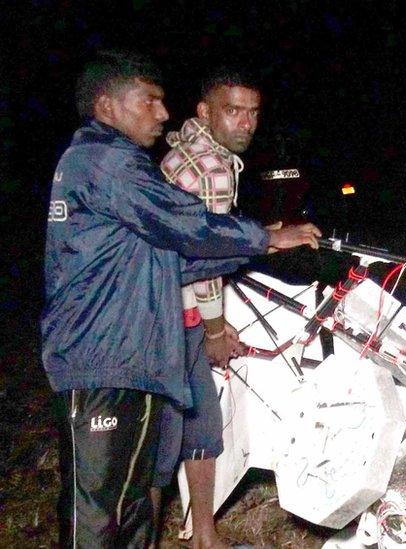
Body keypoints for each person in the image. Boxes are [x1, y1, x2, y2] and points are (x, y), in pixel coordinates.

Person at [42, 50, 321, 548]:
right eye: (149, 100)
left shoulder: (108, 163)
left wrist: (258, 240)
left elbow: (167, 260)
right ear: (107, 105)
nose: (163, 113)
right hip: (106, 356)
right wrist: (264, 239)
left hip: (130, 352)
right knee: (98, 514)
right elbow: (187, 226)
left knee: (128, 505)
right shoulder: (108, 161)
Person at [151, 67, 263, 549]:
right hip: (169, 320)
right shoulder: (213, 169)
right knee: (162, 441)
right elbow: (206, 254)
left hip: (176, 310)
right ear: (205, 112)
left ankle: (206, 538)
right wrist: (216, 329)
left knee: (200, 428)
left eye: (253, 112)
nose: (246, 123)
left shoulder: (186, 152)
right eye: (233, 111)